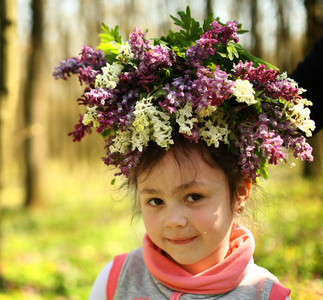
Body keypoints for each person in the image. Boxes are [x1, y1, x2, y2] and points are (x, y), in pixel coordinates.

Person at [53, 7, 314, 300]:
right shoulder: (115, 282)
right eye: (155, 200)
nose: (173, 220)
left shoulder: (266, 295)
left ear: (239, 192)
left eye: (194, 196)